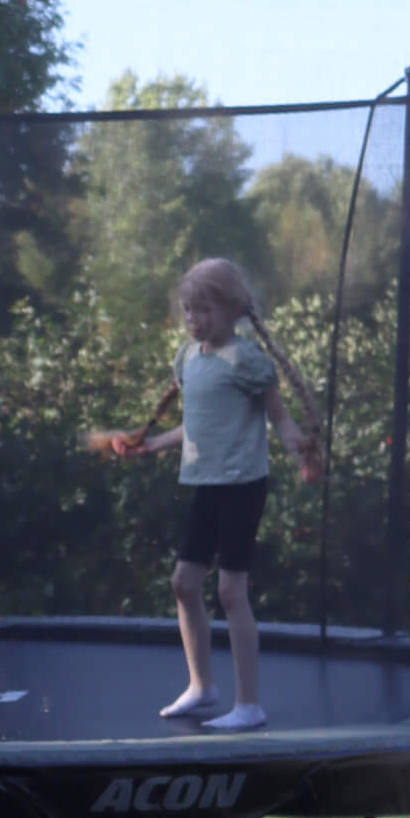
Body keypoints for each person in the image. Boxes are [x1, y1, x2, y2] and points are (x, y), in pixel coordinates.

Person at [116, 257, 321, 732]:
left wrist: (301, 454)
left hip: (242, 488)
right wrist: (149, 446)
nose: (193, 320)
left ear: (232, 310)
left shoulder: (246, 360)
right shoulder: (189, 360)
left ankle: (248, 704)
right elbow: (195, 427)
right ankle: (201, 686)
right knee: (184, 584)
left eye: (203, 310)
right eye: (188, 311)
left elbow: (280, 417)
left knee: (231, 592)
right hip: (204, 486)